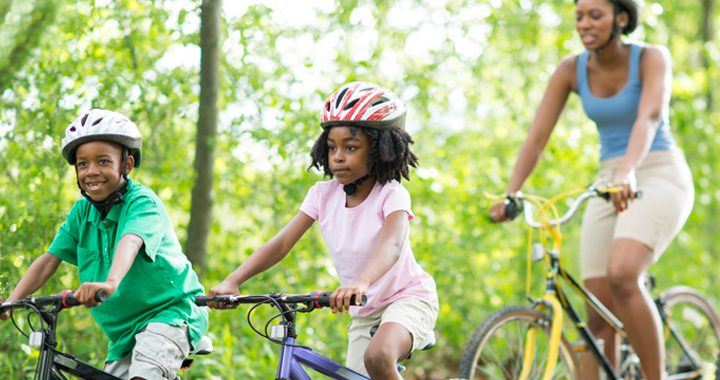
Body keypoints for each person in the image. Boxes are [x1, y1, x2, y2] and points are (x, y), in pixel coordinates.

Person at [488, 1, 693, 379]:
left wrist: (628, 172)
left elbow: (648, 118)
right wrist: (511, 193)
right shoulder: (571, 69)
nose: (584, 24)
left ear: (622, 18)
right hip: (608, 180)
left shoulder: (651, 58)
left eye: (595, 15)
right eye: (579, 16)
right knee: (597, 309)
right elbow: (537, 137)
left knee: (622, 274)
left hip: (657, 170)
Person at [208, 81, 439, 378]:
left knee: (379, 356)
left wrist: (361, 282)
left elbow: (392, 246)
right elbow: (280, 245)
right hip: (365, 312)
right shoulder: (322, 195)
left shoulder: (391, 194)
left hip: (408, 298)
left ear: (381, 150)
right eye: (332, 148)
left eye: (351, 147)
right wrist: (234, 280)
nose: (338, 156)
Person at [0, 109, 209, 380]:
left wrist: (109, 283)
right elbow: (49, 260)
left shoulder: (142, 203)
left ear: (127, 165)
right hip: (123, 334)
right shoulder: (81, 213)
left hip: (171, 314)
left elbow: (130, 242)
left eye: (103, 161)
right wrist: (11, 303)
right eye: (83, 164)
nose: (91, 172)